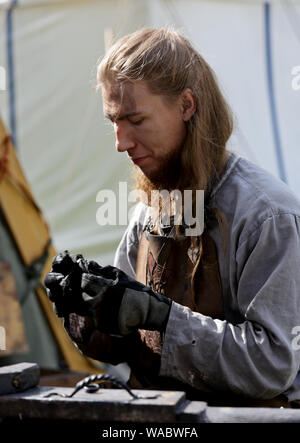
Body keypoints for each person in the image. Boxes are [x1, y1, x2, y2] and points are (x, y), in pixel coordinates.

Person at [45, 27, 300, 407]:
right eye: (113, 121)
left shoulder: (267, 217)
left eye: (135, 120)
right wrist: (88, 315)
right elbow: (132, 346)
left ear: (186, 105)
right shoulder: (149, 213)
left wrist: (164, 318)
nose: (121, 142)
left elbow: (271, 364)